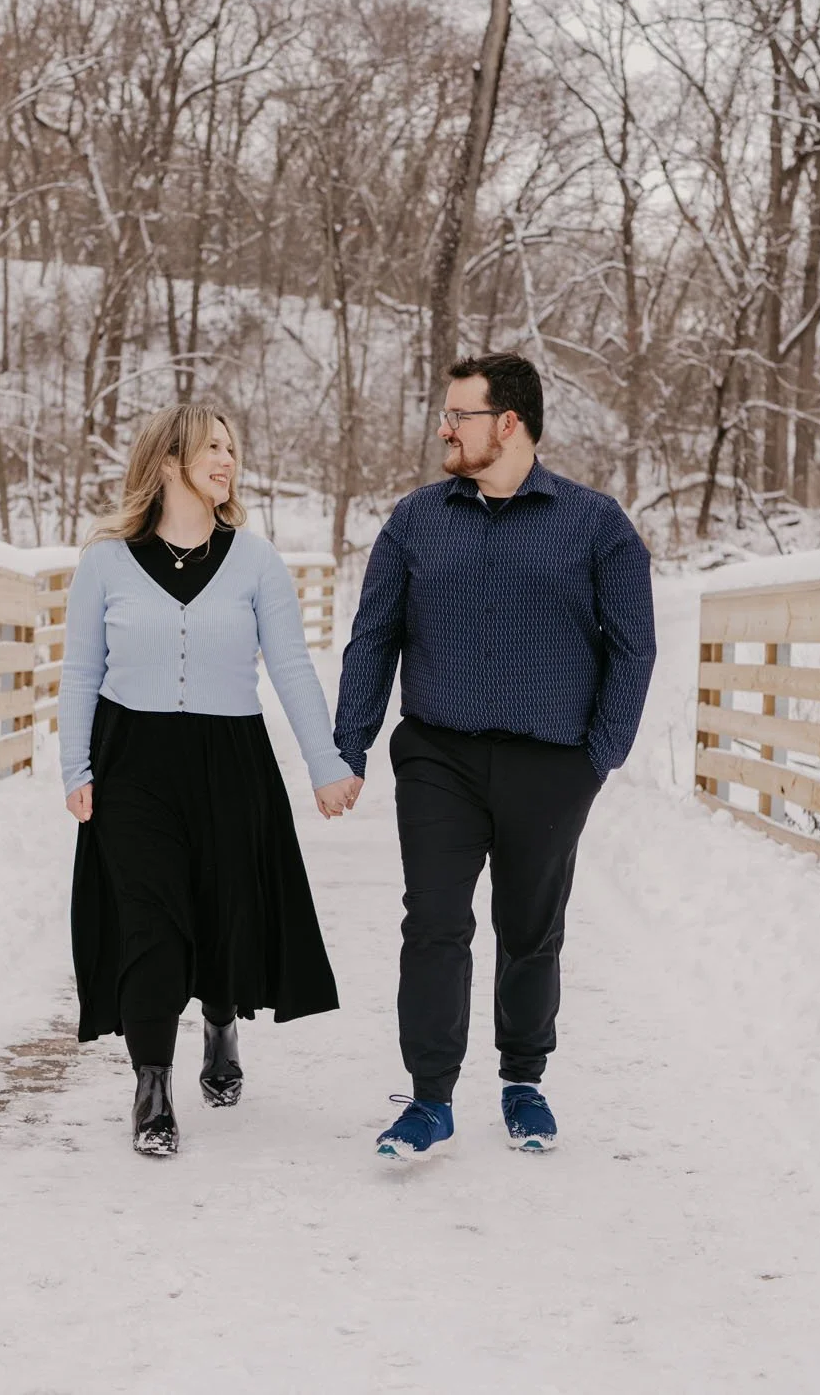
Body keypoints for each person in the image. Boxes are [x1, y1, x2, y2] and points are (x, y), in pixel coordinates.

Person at [333, 351, 656, 1160]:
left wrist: (600, 755)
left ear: (507, 422)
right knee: (434, 922)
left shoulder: (595, 524)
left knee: (529, 926)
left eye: (458, 415)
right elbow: (374, 637)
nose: (443, 427)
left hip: (552, 764)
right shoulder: (415, 519)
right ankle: (430, 1097)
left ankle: (523, 1080)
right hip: (439, 754)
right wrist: (350, 746)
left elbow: (634, 649)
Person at [60, 403, 363, 1157]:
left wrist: (326, 765)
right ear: (168, 462)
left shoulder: (256, 560)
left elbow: (290, 667)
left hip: (231, 759)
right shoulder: (105, 560)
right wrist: (77, 767)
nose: (228, 460)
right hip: (133, 758)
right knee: (150, 919)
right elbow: (79, 672)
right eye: (212, 447)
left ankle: (222, 1021)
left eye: (232, 447)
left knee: (224, 908)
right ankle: (153, 1086)